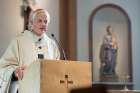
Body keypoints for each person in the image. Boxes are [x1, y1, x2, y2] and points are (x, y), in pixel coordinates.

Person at [0, 8, 60, 93]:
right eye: (39, 21)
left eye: (45, 21)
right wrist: (14, 72)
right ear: (31, 23)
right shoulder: (18, 41)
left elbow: (57, 69)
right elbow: (3, 66)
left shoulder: (52, 45)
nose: (43, 24)